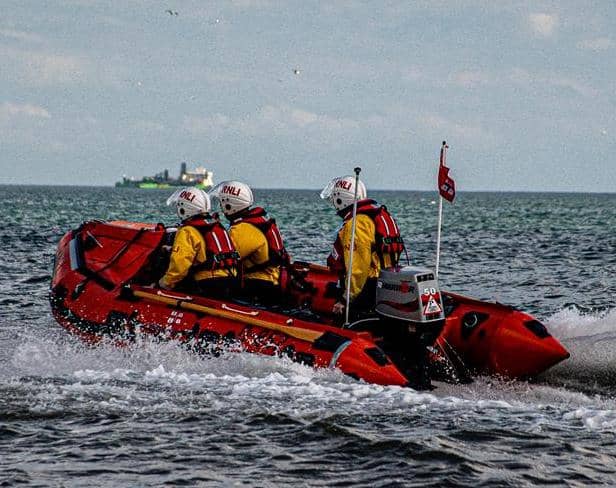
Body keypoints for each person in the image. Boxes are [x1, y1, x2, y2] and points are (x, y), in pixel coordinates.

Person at [320, 175, 405, 318]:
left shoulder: (356, 224)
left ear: (341, 199)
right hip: (386, 281)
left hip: (368, 287)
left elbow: (357, 268)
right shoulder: (373, 216)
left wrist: (345, 299)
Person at [209, 180, 290, 304]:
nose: (221, 207)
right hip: (272, 281)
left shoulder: (242, 229)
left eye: (221, 203)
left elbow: (224, 258)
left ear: (229, 205)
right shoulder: (257, 222)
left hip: (258, 287)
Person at [158, 187, 239, 298]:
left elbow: (179, 266)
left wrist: (164, 283)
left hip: (207, 284)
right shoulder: (217, 226)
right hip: (231, 280)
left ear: (184, 208)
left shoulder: (187, 231)